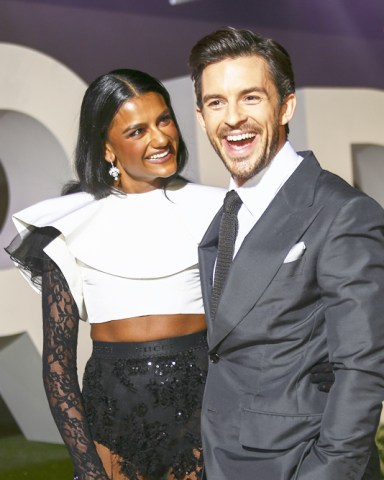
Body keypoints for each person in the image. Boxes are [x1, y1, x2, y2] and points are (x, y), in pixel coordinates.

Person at [5, 69, 226, 480]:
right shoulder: (68, 224)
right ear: (107, 148)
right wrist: (88, 469)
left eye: (164, 120)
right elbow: (57, 367)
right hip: (114, 420)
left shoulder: (218, 210)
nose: (160, 139)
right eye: (137, 130)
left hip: (201, 413)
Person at [189, 27, 384, 480]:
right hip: (226, 458)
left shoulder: (343, 212)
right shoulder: (230, 212)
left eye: (251, 98)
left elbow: (363, 367)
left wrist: (327, 472)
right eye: (217, 102)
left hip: (298, 464)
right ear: (201, 117)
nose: (233, 117)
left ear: (286, 106)